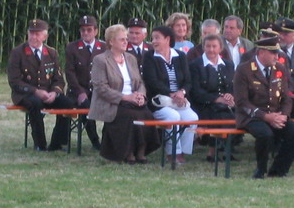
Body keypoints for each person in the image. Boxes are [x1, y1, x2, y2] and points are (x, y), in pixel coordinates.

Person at [88, 24, 161, 163]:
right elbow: (101, 88)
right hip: (113, 102)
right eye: (122, 39)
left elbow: (140, 82)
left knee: (147, 114)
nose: (126, 42)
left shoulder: (130, 58)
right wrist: (125, 97)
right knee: (130, 116)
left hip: (133, 99)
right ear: (111, 41)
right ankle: (128, 152)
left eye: (126, 39)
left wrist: (141, 95)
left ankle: (141, 150)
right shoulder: (100, 60)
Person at [234, 35, 294, 179]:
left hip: (276, 115)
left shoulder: (280, 68)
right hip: (252, 117)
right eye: (273, 53)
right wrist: (265, 116)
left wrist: (283, 115)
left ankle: (278, 170)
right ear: (261, 52)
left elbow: (286, 97)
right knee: (265, 134)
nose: (277, 56)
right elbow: (242, 102)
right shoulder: (244, 70)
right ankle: (261, 169)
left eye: (277, 53)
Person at [7, 19, 73, 151]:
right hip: (26, 94)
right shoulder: (18, 53)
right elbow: (14, 81)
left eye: (37, 34)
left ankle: (57, 143)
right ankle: (40, 144)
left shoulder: (51, 53)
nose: (33, 37)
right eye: (31, 33)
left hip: (48, 94)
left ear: (45, 36)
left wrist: (54, 92)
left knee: (67, 103)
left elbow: (59, 79)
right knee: (35, 103)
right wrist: (35, 91)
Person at [142, 25, 199, 164]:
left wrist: (182, 92)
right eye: (152, 38)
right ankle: (173, 152)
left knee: (192, 118)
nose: (153, 41)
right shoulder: (149, 56)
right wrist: (171, 93)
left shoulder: (180, 56)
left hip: (179, 100)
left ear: (167, 39)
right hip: (159, 101)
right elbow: (152, 81)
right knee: (173, 116)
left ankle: (183, 151)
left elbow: (188, 81)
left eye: (157, 38)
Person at [188, 33, 236, 162]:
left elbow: (232, 86)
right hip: (204, 104)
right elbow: (196, 91)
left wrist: (230, 96)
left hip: (225, 104)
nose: (211, 49)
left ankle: (227, 150)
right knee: (219, 116)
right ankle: (212, 152)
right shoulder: (195, 65)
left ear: (220, 48)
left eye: (214, 46)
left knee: (237, 115)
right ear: (203, 47)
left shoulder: (228, 64)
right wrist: (216, 99)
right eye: (208, 46)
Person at [64, 15, 105, 150]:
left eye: (89, 30)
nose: (85, 33)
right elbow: (70, 73)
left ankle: (108, 140)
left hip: (99, 90)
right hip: (78, 90)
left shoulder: (104, 47)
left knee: (115, 105)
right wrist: (80, 92)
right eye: (83, 30)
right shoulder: (72, 47)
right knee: (86, 106)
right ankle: (95, 141)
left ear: (96, 31)